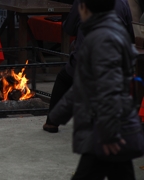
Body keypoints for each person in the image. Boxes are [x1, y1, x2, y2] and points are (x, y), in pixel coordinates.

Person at [48, 0, 142, 179]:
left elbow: (109, 88)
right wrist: (58, 114)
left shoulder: (101, 39)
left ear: (84, 9)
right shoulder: (112, 30)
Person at [43, 0, 135, 133]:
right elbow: (129, 34)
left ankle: (52, 123)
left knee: (64, 78)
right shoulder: (123, 3)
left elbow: (69, 29)